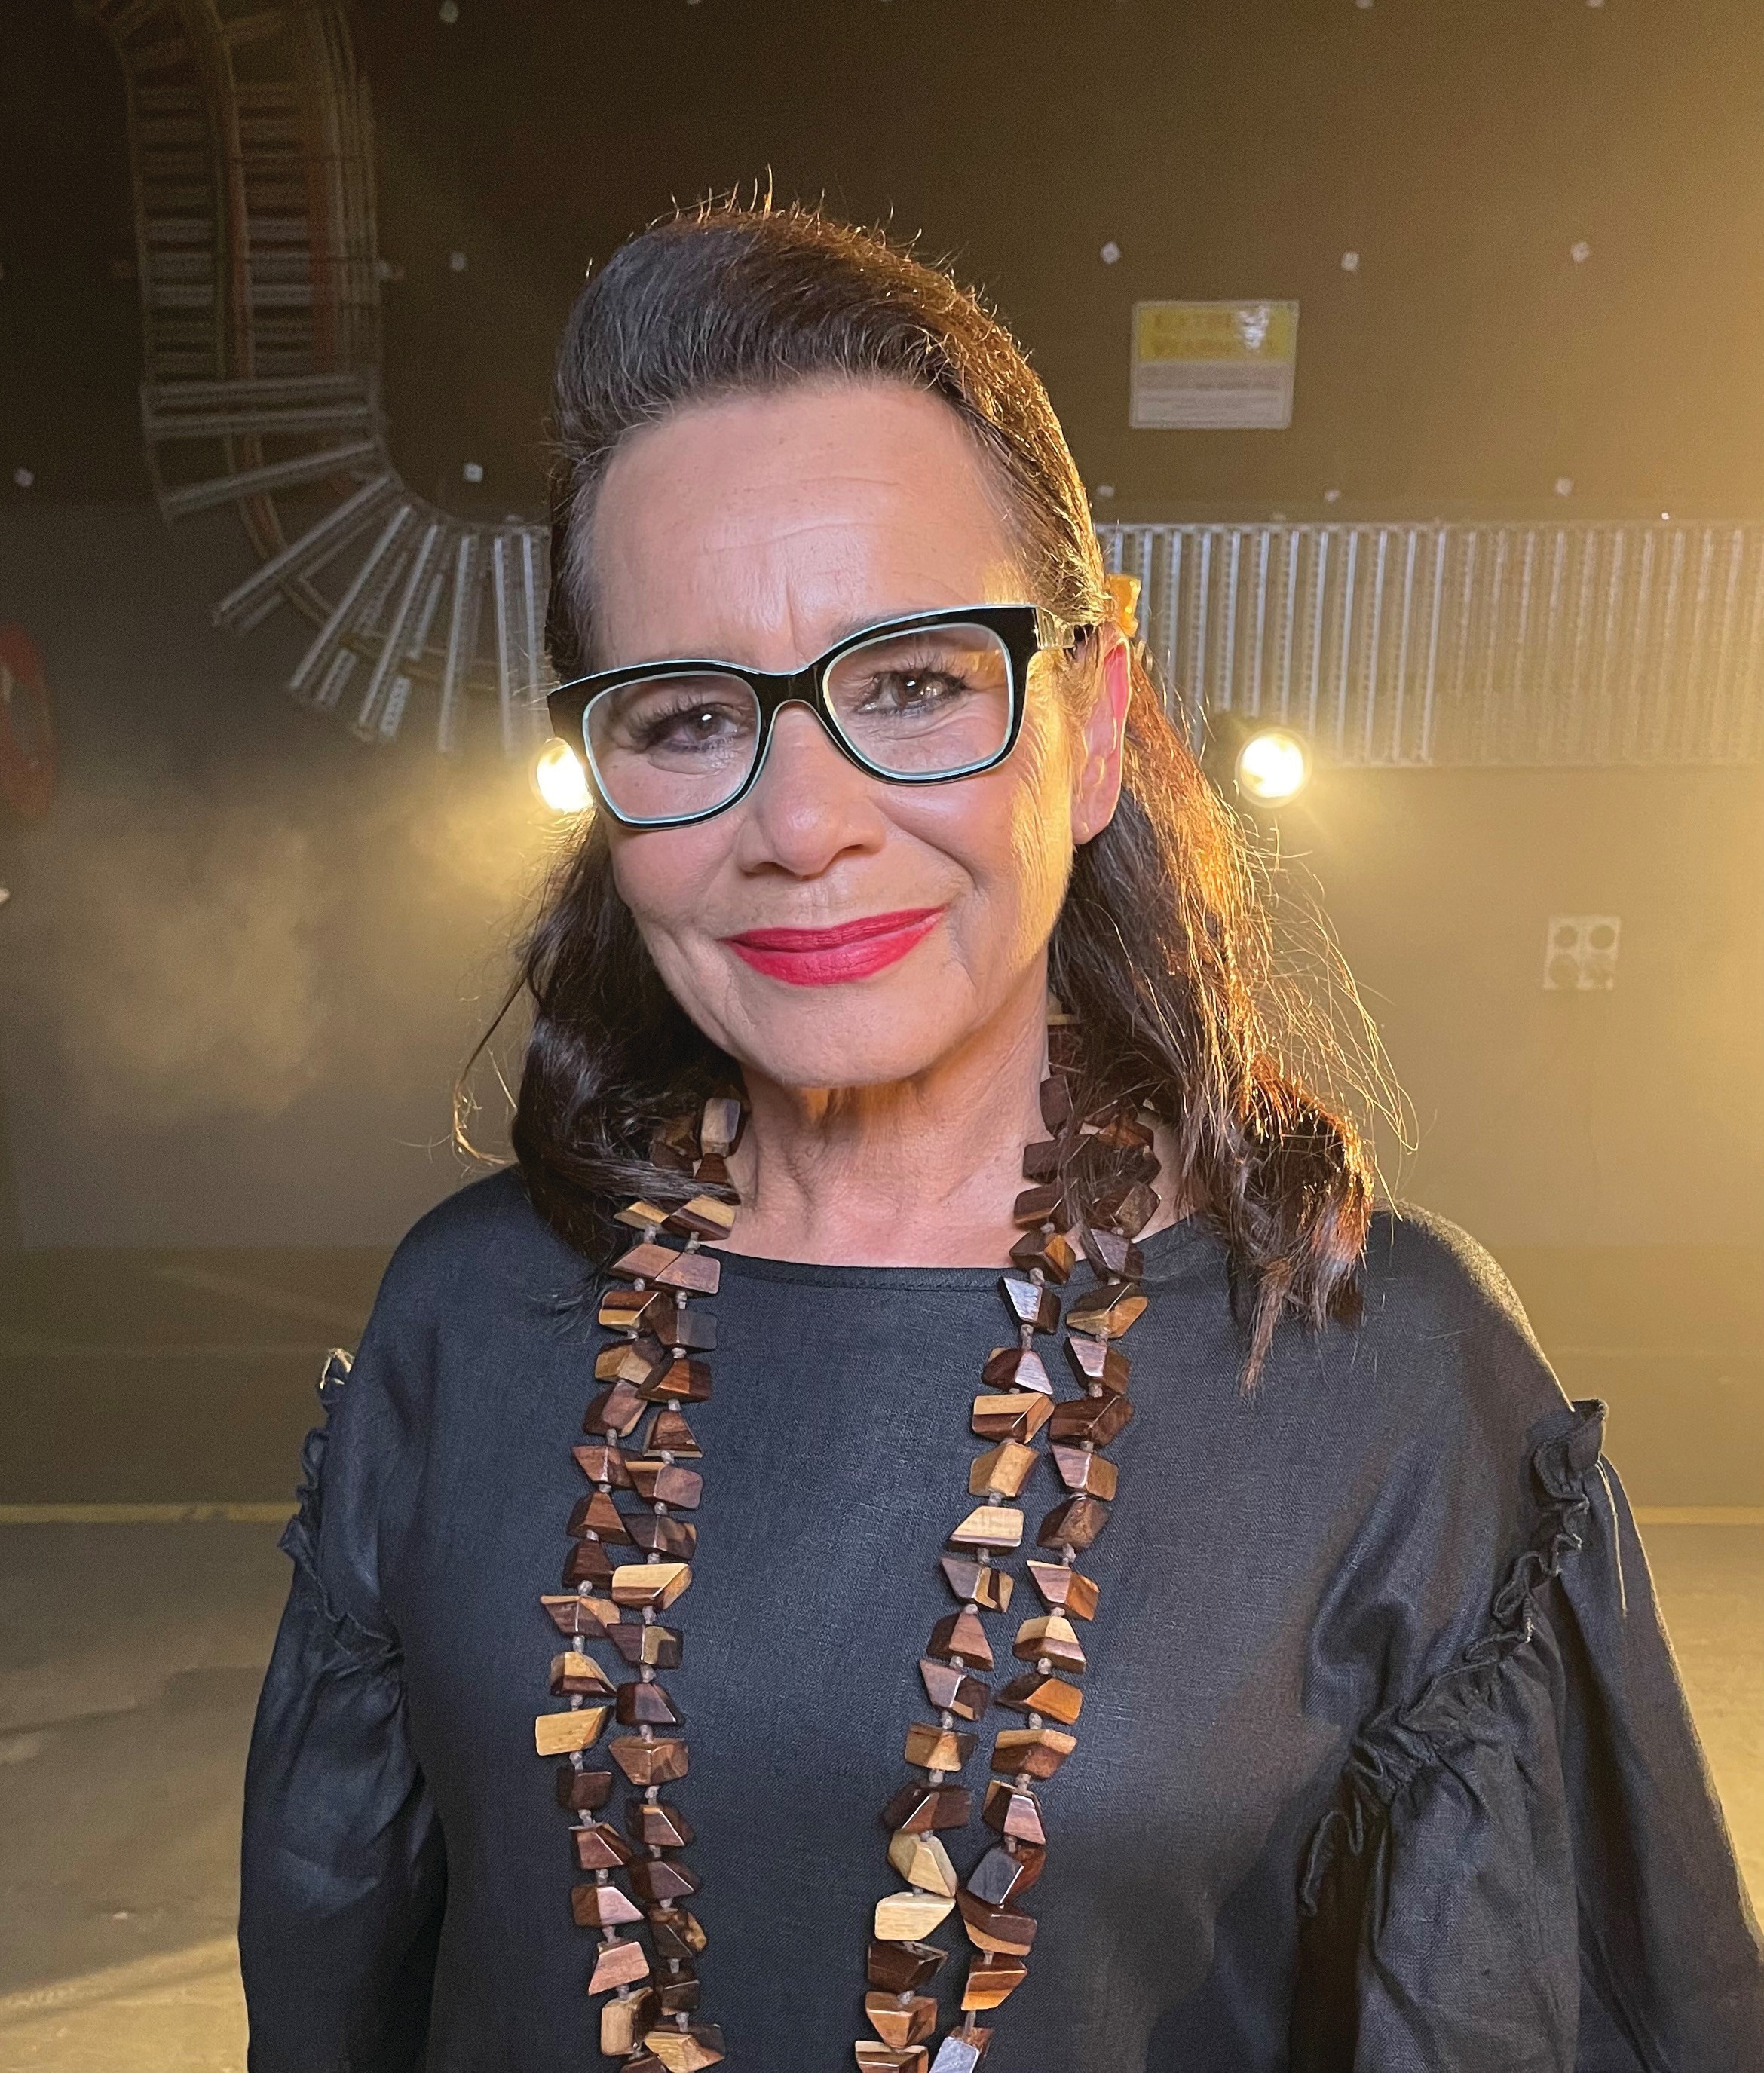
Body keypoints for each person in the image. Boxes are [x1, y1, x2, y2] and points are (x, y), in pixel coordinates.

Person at [238, 201, 1764, 2073]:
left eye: (911, 683)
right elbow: (337, 1991)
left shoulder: (1383, 1377)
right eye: (689, 712)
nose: (801, 822)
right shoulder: (460, 1322)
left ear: (1096, 719)